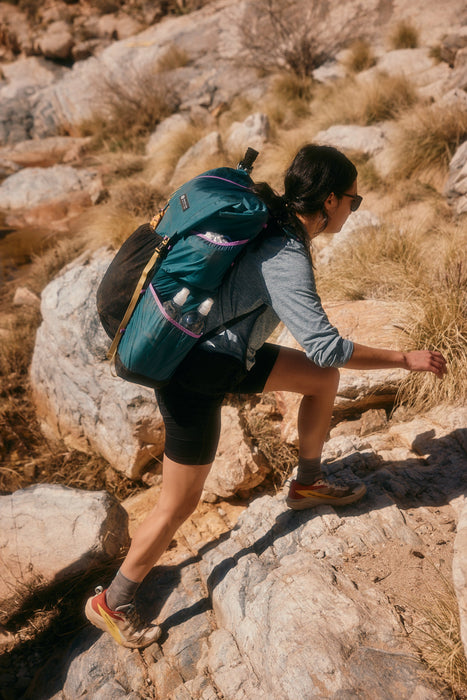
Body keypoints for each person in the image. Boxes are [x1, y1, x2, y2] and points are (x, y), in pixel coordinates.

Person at [85, 144, 447, 648]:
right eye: (354, 202)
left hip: (228, 354)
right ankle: (114, 601)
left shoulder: (271, 222)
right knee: (179, 502)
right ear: (328, 201)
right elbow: (323, 346)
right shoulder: (286, 253)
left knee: (321, 384)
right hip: (196, 374)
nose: (352, 209)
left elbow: (314, 360)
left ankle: (308, 483)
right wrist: (404, 358)